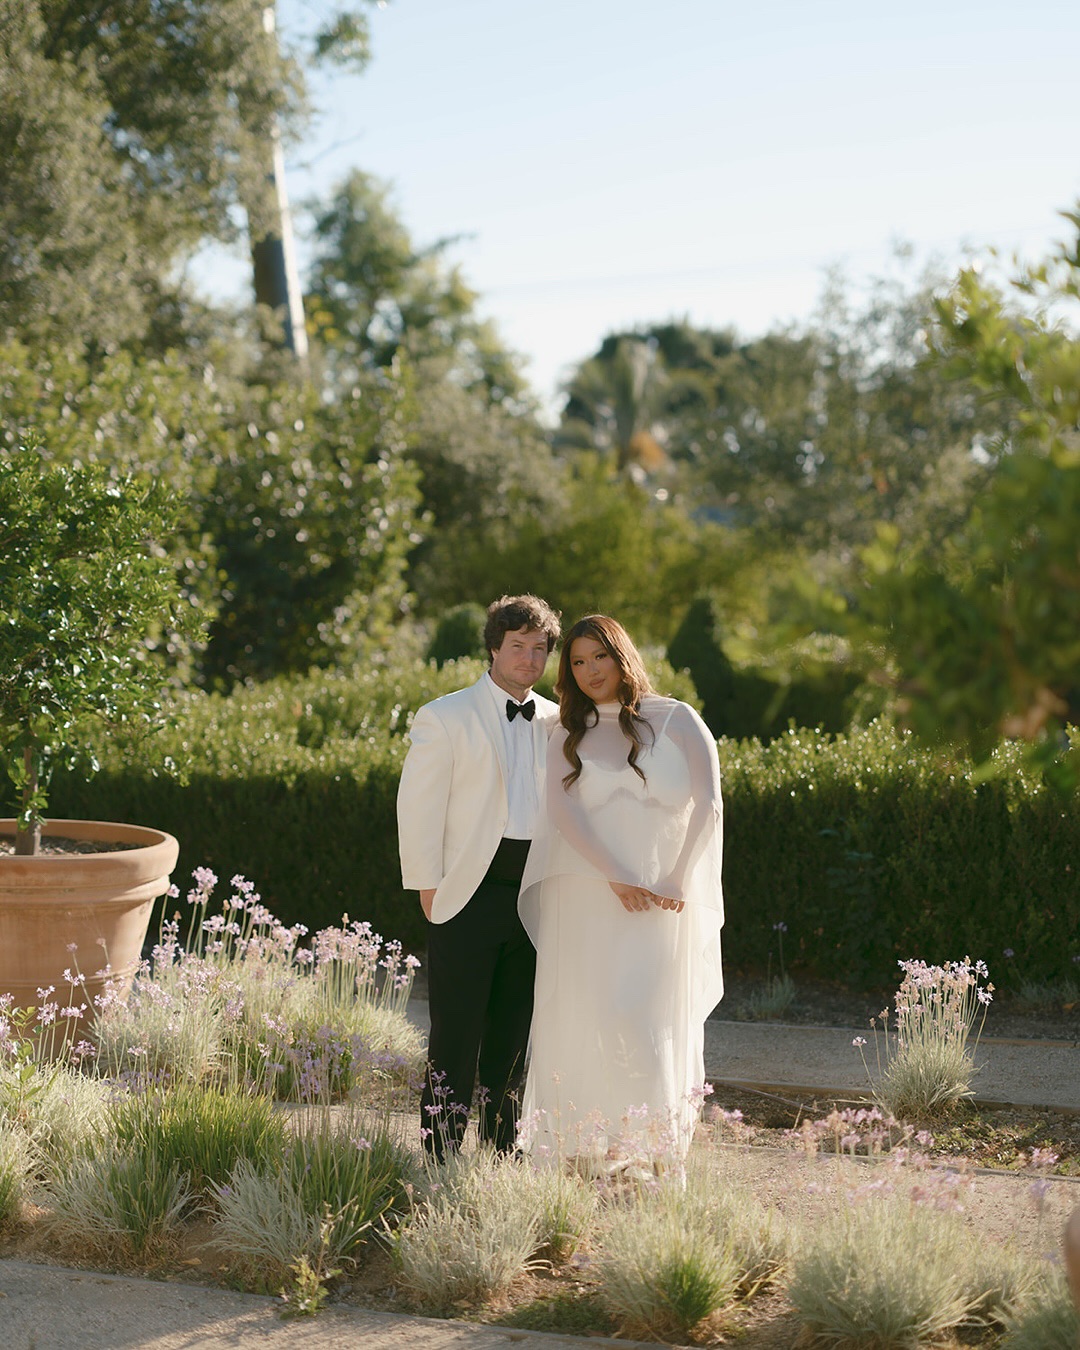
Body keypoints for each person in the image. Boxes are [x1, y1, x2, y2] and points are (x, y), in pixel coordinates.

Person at [518, 614, 724, 1170]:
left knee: (646, 1012)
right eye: (578, 663)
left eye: (598, 658)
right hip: (587, 894)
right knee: (586, 1010)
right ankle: (583, 1145)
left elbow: (708, 802)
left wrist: (679, 875)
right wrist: (612, 872)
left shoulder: (678, 719)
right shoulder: (568, 729)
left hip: (662, 895)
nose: (589, 672)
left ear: (621, 655)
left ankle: (651, 1148)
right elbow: (561, 813)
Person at [397, 594, 561, 1159]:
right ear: (494, 647)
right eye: (518, 646)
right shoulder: (445, 716)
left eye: (540, 649)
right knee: (456, 1032)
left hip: (534, 896)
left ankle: (500, 1145)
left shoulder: (558, 721)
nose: (529, 659)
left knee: (514, 1031)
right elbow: (417, 808)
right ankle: (439, 1151)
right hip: (465, 893)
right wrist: (428, 886)